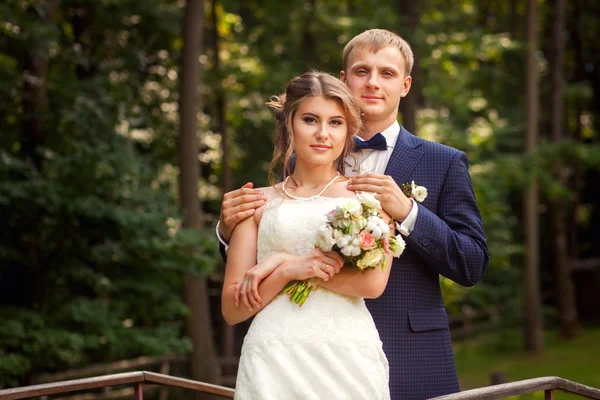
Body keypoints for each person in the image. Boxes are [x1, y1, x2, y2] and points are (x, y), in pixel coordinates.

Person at [217, 29, 489, 399]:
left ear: (405, 85)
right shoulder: (300, 160)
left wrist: (409, 213)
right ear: (344, 80)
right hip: (284, 351)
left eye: (387, 74)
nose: (373, 83)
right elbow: (266, 247)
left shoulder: (443, 162)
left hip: (404, 352)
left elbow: (471, 264)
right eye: (362, 71)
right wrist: (226, 230)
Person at [222, 71, 393, 399]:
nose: (322, 133)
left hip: (346, 357)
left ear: (348, 130)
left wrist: (286, 260)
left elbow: (372, 284)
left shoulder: (368, 198)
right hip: (273, 357)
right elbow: (233, 309)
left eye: (335, 123)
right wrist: (287, 271)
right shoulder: (257, 203)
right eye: (310, 120)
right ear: (289, 124)